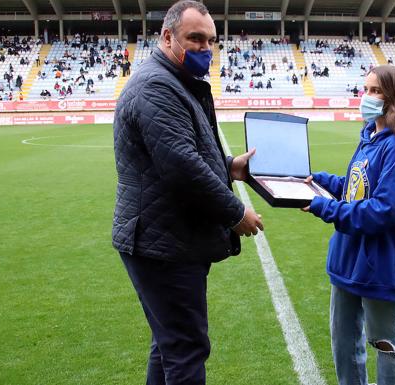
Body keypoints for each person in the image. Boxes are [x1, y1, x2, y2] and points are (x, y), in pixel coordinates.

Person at [112, 2, 264, 384]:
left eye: (210, 40)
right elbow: (182, 166)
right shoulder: (157, 85)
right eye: (195, 38)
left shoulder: (174, 81)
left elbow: (183, 152)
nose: (204, 48)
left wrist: (229, 166)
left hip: (164, 236)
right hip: (162, 243)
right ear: (167, 36)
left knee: (170, 346)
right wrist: (235, 213)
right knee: (185, 350)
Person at [303, 65, 395, 385]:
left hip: (380, 265)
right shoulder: (370, 137)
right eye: (366, 89)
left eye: (376, 91)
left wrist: (327, 208)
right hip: (348, 260)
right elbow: (356, 187)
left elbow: (386, 210)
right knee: (343, 342)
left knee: (386, 344)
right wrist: (321, 182)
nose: (367, 97)